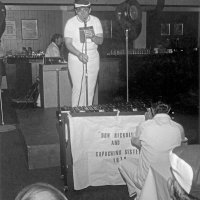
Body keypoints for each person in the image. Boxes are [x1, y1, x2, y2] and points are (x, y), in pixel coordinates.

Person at [118, 102, 185, 199]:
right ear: (168, 111)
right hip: (171, 178)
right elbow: (183, 145)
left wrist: (147, 121)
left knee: (122, 163)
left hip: (147, 179)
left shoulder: (145, 126)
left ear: (152, 111)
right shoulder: (179, 127)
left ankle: (140, 193)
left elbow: (135, 142)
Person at [64, 0, 103, 107]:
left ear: (90, 10)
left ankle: (87, 111)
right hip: (76, 57)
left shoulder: (96, 21)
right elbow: (68, 43)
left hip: (93, 57)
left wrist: (93, 36)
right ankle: (75, 112)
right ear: (76, 11)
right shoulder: (70, 23)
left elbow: (100, 41)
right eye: (79, 10)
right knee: (78, 87)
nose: (82, 13)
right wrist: (79, 54)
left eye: (85, 10)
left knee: (90, 87)